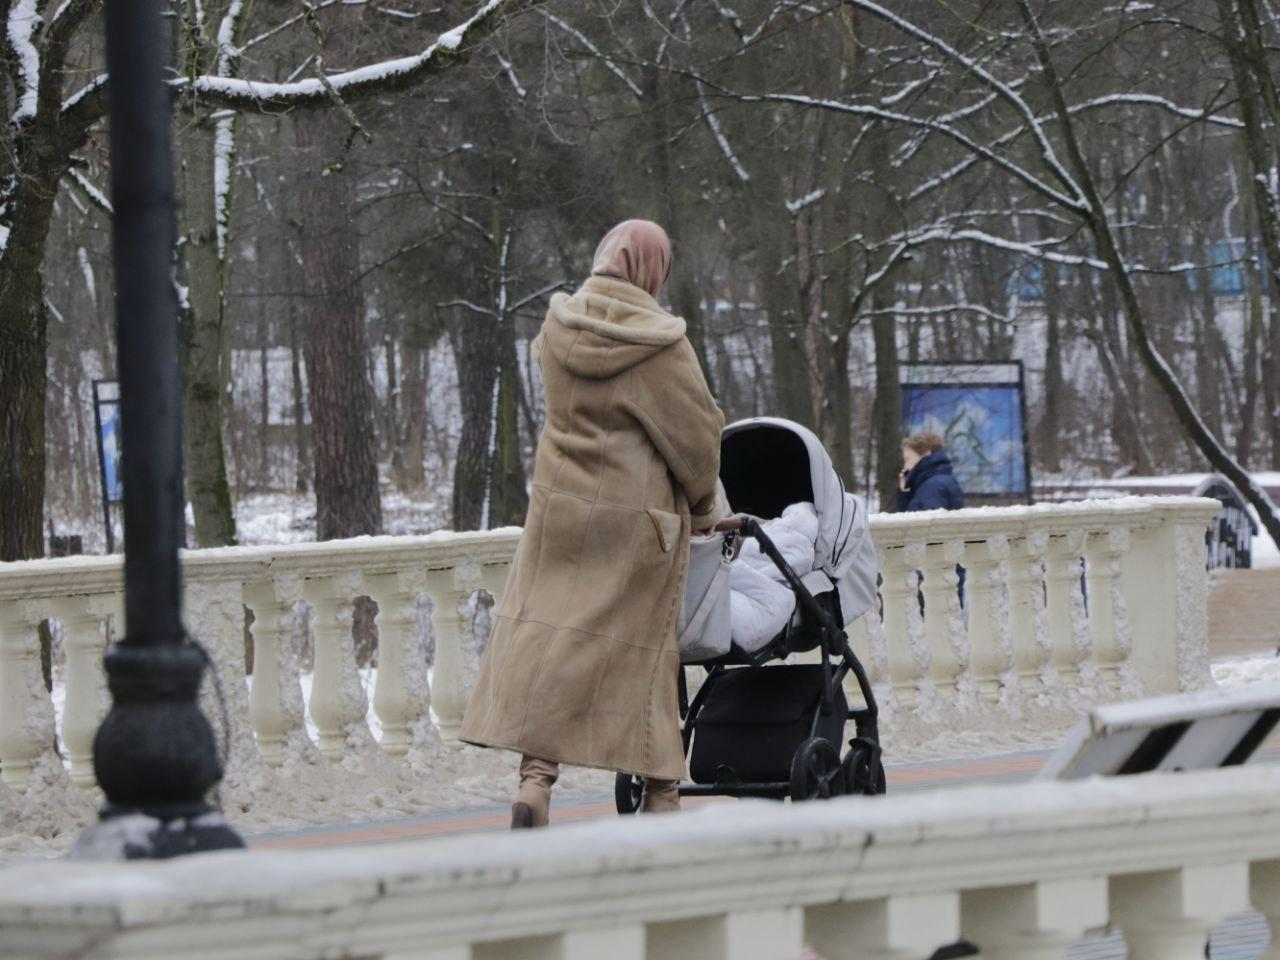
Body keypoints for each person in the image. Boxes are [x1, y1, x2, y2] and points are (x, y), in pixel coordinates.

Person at [460, 219, 725, 829]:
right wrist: (707, 511)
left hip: (560, 514)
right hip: (635, 522)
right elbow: (695, 443)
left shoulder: (559, 326)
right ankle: (661, 793)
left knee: (557, 640)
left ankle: (536, 783)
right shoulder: (660, 344)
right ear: (651, 268)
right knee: (645, 657)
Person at [897, 431, 965, 512]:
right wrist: (905, 492)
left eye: (908, 459)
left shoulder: (932, 487)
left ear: (926, 454)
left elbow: (925, 523)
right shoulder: (939, 479)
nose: (905, 466)